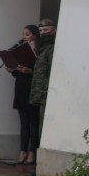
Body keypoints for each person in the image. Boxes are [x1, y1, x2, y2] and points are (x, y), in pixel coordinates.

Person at [6, 24, 40, 165]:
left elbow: (42, 73)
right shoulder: (21, 50)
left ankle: (33, 151)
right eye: (24, 34)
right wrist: (12, 69)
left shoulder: (40, 50)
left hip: (33, 88)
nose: (24, 37)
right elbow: (17, 71)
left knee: (33, 122)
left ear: (34, 35)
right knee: (24, 121)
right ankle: (22, 151)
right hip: (21, 86)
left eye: (27, 34)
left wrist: (29, 71)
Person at [29, 18, 56, 151]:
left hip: (47, 95)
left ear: (54, 30)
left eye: (46, 30)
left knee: (44, 128)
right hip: (38, 95)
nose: (43, 33)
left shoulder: (51, 49)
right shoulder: (42, 49)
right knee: (38, 127)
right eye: (40, 31)